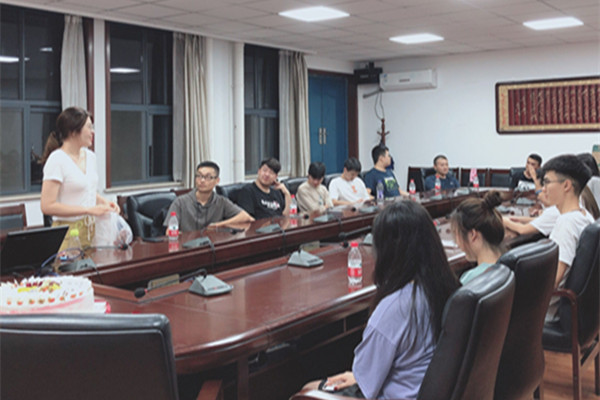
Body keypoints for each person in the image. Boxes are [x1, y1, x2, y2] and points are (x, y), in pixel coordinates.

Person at [301, 201, 460, 398]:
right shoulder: (446, 287)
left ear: (386, 251)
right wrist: (359, 376)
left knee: (308, 390)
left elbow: (367, 383)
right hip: (428, 391)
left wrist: (358, 376)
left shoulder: (394, 308)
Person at [40, 107, 119, 250]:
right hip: (67, 232)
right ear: (73, 131)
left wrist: (104, 202)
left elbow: (87, 190)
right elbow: (47, 205)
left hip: (90, 230)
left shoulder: (91, 157)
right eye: (89, 127)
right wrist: (88, 210)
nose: (92, 132)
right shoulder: (57, 160)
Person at [541, 155, 594, 322]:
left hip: (550, 314)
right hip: (580, 312)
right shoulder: (586, 216)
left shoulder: (566, 223)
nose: (543, 189)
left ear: (566, 185)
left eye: (547, 182)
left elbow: (553, 281)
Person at [163, 161, 253, 232]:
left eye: (208, 177)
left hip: (212, 245)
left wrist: (218, 225)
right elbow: (169, 232)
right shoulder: (180, 202)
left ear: (217, 181)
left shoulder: (221, 201)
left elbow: (246, 217)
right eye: (199, 176)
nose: (202, 180)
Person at [450, 191, 505, 284]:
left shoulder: (469, 280)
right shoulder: (510, 266)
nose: (457, 243)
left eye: (456, 234)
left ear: (473, 235)